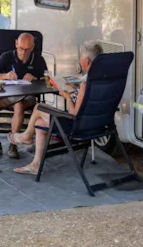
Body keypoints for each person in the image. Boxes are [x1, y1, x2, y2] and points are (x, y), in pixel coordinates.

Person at [10, 40, 103, 175]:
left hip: (76, 126)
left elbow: (74, 113)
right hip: (97, 123)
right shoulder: (102, 78)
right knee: (39, 123)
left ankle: (27, 136)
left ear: (87, 61)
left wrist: (67, 97)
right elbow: (88, 101)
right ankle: (36, 164)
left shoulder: (86, 84)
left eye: (81, 57)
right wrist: (76, 89)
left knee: (39, 107)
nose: (80, 60)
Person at [0, 32, 47, 159]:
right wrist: (5, 76)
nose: (23, 52)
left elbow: (47, 81)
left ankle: (13, 143)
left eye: (27, 49)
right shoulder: (7, 56)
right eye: (21, 48)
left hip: (26, 97)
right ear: (16, 43)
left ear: (32, 47)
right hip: (7, 95)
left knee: (19, 105)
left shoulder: (38, 59)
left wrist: (36, 77)